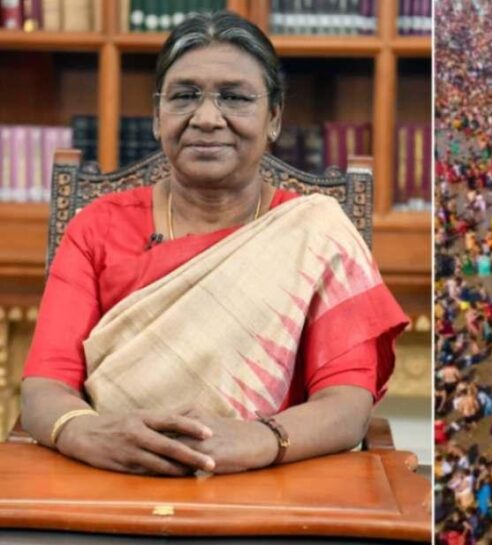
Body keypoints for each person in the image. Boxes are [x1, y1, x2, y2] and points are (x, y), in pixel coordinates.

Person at [19, 12, 408, 476]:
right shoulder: (97, 228)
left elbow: (346, 405)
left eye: (235, 98)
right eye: (184, 96)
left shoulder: (317, 234)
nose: (206, 118)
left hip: (271, 481)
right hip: (114, 477)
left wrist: (262, 438)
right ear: (157, 117)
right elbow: (45, 386)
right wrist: (87, 433)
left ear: (274, 118)